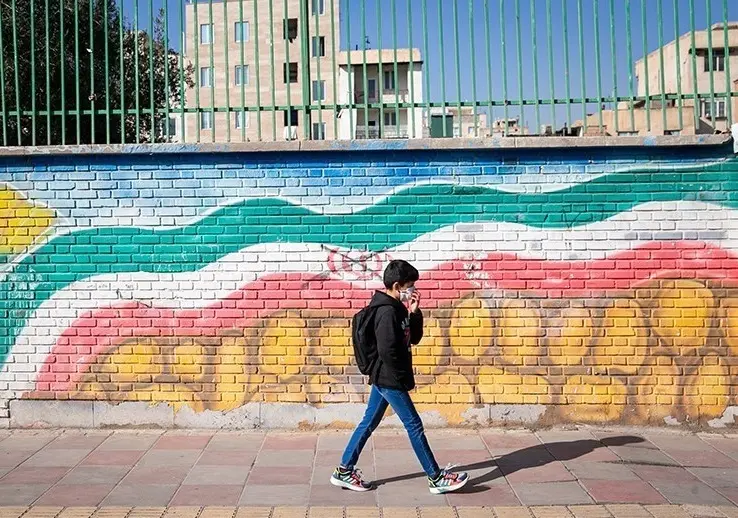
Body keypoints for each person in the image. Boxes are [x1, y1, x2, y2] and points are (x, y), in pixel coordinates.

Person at [330, 259, 468, 494]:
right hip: (389, 379)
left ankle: (344, 470)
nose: (412, 289)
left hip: (386, 377)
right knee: (414, 425)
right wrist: (400, 379)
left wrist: (414, 312)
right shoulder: (386, 312)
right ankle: (436, 478)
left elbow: (413, 338)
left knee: (369, 422)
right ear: (397, 286)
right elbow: (387, 351)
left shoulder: (398, 308)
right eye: (409, 285)